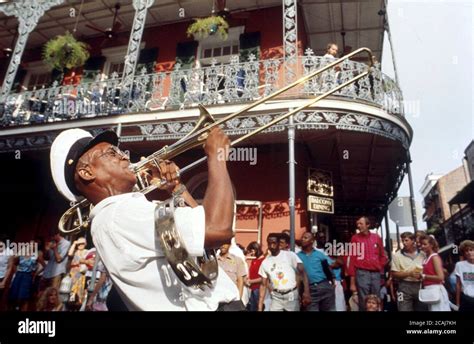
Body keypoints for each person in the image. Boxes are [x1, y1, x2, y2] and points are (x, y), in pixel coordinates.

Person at [49, 128, 241, 311]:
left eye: (119, 151)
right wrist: (217, 157)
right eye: (111, 153)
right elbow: (217, 229)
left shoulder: (121, 213)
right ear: (87, 172)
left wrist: (177, 189)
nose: (124, 156)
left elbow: (206, 246)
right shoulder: (120, 214)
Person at [257, 233, 311, 311]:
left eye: (274, 243)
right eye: (269, 243)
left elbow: (303, 273)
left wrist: (307, 292)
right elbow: (263, 284)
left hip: (291, 296)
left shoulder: (290, 256)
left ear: (279, 243)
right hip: (276, 297)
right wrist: (260, 306)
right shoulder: (265, 262)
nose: (272, 246)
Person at [348, 216, 387, 311]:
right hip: (362, 273)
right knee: (363, 299)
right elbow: (352, 260)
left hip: (376, 273)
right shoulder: (355, 238)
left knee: (376, 299)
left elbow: (383, 256)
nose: (358, 226)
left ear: (368, 225)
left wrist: (379, 266)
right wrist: (352, 283)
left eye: (361, 224)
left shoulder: (376, 237)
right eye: (357, 224)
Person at [297, 232, 336, 311]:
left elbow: (327, 268)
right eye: (302, 237)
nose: (302, 239)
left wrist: (332, 282)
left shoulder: (319, 254)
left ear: (312, 241)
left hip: (323, 286)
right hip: (309, 290)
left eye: (305, 238)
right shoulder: (297, 256)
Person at [391, 232, 427, 311]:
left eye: (406, 240)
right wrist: (409, 273)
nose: (404, 243)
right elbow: (394, 274)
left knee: (422, 309)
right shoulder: (397, 255)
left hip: (421, 285)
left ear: (413, 240)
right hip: (404, 286)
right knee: (403, 309)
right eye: (403, 241)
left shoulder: (423, 254)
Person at [416, 235, 450, 311]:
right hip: (429, 291)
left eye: (425, 244)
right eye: (421, 244)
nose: (422, 246)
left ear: (431, 245)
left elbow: (440, 277)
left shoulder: (434, 257)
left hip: (436, 289)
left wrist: (424, 276)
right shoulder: (426, 258)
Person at [245, 241, 265, 311]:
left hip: (259, 288)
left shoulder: (263, 261)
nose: (251, 253)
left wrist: (250, 281)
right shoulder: (255, 260)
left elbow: (263, 278)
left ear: (256, 249)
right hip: (253, 288)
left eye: (252, 251)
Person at [455, 240, 474, 311]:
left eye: (471, 250)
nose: (469, 252)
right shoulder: (459, 265)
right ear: (464, 253)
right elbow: (458, 284)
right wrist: (457, 303)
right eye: (466, 251)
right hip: (467, 299)